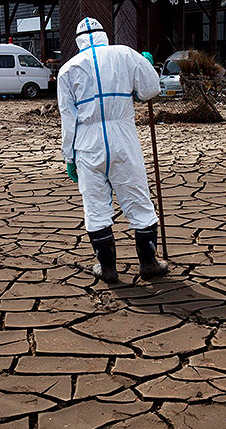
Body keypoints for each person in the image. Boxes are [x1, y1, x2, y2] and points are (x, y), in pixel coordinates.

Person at [57, 17, 168, 283]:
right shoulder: (125, 54)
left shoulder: (67, 69)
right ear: (104, 35)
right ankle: (149, 262)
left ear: (79, 40)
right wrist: (146, 65)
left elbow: (67, 118)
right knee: (137, 199)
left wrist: (69, 157)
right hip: (123, 138)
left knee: (95, 206)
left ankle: (107, 268)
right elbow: (151, 90)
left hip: (87, 143)